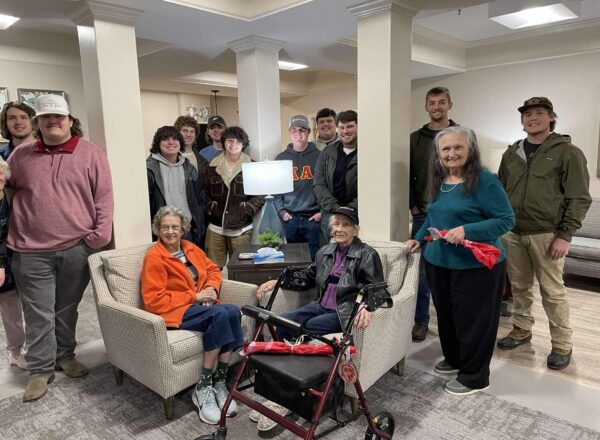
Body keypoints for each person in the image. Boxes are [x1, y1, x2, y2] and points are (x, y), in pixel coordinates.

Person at [8, 94, 114, 401]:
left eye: (59, 117)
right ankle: (40, 370)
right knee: (38, 311)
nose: (53, 122)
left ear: (69, 120)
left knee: (66, 309)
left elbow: (104, 198)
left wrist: (96, 239)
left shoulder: (92, 154)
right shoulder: (21, 155)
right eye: (46, 119)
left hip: (76, 248)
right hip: (30, 250)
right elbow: (9, 190)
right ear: (38, 123)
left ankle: (65, 355)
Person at [253, 206, 385, 432]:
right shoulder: (325, 251)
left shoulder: (367, 254)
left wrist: (368, 307)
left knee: (307, 327)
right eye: (336, 224)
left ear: (355, 230)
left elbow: (379, 290)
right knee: (282, 321)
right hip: (319, 305)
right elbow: (308, 276)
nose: (339, 229)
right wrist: (279, 281)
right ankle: (280, 390)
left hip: (342, 312)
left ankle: (289, 395)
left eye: (345, 225)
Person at [406, 126, 514, 396]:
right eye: (446, 149)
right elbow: (433, 216)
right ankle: (455, 359)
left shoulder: (485, 181)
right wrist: (418, 238)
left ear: (470, 150)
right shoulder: (440, 180)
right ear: (439, 154)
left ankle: (475, 376)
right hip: (438, 261)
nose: (452, 153)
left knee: (474, 320)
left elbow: (506, 220)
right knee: (447, 316)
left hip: (476, 265)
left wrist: (468, 230)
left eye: (458, 147)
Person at [496, 97, 591, 370]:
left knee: (552, 291)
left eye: (539, 113)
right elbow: (501, 192)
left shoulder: (568, 152)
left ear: (551, 118)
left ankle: (562, 344)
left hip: (547, 234)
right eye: (527, 114)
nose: (532, 118)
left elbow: (579, 197)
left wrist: (565, 234)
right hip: (513, 232)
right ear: (522, 120)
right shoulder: (511, 154)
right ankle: (521, 330)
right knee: (520, 286)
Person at [141, 206, 243, 425]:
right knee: (218, 315)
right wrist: (195, 297)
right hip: (174, 311)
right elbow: (153, 300)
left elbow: (214, 270)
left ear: (183, 229)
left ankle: (219, 382)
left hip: (201, 303)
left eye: (175, 227)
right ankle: (203, 387)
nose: (170, 231)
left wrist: (212, 291)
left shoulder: (190, 248)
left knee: (233, 311)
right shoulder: (155, 258)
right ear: (158, 229)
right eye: (165, 227)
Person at [409, 87, 458, 342]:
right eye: (432, 103)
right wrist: (413, 205)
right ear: (426, 107)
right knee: (424, 275)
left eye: (441, 102)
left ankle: (453, 322)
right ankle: (421, 321)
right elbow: (407, 175)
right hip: (424, 214)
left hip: (455, 218)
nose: (437, 107)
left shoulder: (462, 137)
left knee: (453, 271)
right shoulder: (415, 139)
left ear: (450, 104)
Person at [203, 126, 264, 269]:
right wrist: (210, 206)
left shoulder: (252, 166)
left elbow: (260, 194)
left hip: (241, 228)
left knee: (241, 269)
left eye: (238, 142)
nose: (233, 145)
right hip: (215, 227)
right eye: (230, 141)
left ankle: (238, 292)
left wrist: (247, 208)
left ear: (243, 144)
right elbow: (203, 192)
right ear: (224, 142)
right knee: (213, 269)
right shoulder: (211, 166)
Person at [147, 126, 205, 247]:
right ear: (158, 143)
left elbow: (200, 199)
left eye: (175, 139)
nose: (171, 142)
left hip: (188, 230)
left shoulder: (189, 169)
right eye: (165, 139)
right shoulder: (149, 170)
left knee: (190, 265)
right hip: (164, 232)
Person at [274, 115, 321, 260]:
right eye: (294, 130)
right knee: (293, 259)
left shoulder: (320, 156)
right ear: (290, 133)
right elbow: (275, 190)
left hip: (313, 218)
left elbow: (327, 187)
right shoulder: (281, 158)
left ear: (308, 132)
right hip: (290, 218)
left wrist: (322, 212)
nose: (298, 134)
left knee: (313, 260)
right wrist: (281, 212)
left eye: (302, 130)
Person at [313, 110, 358, 240]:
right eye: (342, 127)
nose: (345, 131)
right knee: (330, 254)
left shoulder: (367, 151)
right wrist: (335, 207)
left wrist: (350, 208)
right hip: (330, 213)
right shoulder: (327, 152)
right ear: (337, 129)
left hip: (357, 213)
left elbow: (371, 185)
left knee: (355, 254)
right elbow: (318, 184)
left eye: (350, 126)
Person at [0, 158, 26, 369]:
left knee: (11, 309)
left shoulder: (12, 196)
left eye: (0, 172)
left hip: (12, 261)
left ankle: (15, 351)